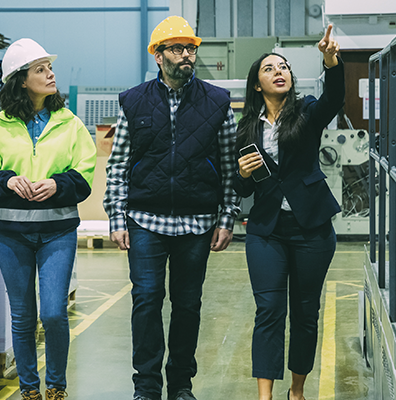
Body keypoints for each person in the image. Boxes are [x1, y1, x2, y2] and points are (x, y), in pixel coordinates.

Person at [104, 15, 240, 400]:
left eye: (190, 48)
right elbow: (119, 164)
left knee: (188, 304)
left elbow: (229, 165)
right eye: (177, 49)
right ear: (159, 55)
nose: (186, 55)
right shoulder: (133, 100)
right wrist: (117, 216)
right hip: (145, 219)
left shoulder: (216, 102)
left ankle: (181, 385)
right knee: (146, 300)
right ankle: (146, 387)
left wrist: (226, 217)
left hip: (197, 222)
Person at [0, 38, 97, 400]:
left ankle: (56, 386)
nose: (50, 74)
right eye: (40, 69)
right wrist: (7, 180)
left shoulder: (69, 123)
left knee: (54, 313)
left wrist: (57, 184)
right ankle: (29, 390)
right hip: (11, 234)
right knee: (23, 317)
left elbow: (84, 176)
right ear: (21, 80)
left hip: (57, 232)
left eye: (49, 68)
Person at [233, 24, 344, 400]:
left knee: (305, 312)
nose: (279, 71)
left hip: (311, 228)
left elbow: (335, 99)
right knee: (269, 311)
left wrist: (331, 62)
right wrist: (242, 174)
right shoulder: (246, 127)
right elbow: (243, 188)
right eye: (270, 68)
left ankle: (296, 391)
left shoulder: (308, 112)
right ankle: (264, 394)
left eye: (284, 67)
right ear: (256, 85)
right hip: (266, 230)